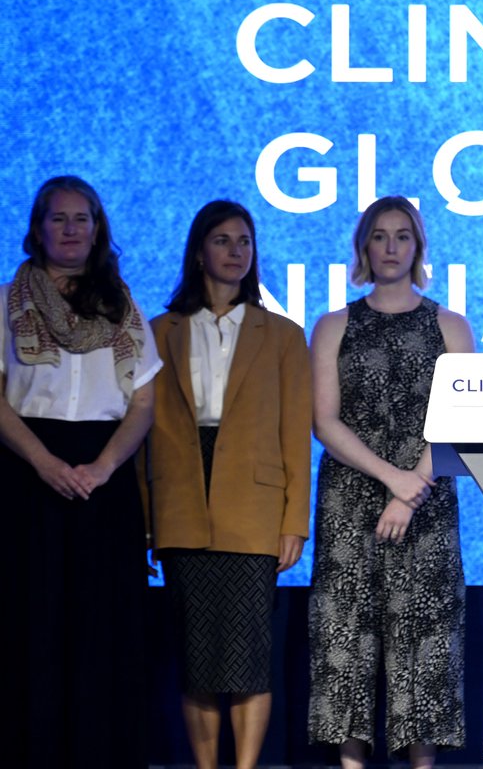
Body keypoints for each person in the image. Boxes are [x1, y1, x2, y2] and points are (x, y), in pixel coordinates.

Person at [0, 175, 162, 767]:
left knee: (103, 626)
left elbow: (142, 404)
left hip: (105, 474)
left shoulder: (123, 306)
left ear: (98, 230)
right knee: (31, 621)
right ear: (38, 228)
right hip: (25, 471)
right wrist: (43, 462)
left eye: (81, 219)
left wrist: (102, 467)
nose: (70, 230)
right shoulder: (6, 300)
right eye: (58, 219)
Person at [308, 196, 475, 769]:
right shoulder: (333, 326)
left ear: (418, 246)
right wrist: (392, 481)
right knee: (346, 637)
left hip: (427, 501)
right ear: (363, 247)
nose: (390, 247)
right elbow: (324, 421)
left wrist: (414, 487)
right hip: (350, 499)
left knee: (423, 639)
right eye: (379, 236)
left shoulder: (451, 326)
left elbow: (463, 418)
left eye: (402, 236)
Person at [144, 200, 312, 769]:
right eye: (222, 240)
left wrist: (295, 521)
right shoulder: (159, 331)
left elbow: (295, 433)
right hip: (182, 500)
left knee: (248, 656)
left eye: (244, 241)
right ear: (198, 251)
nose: (235, 251)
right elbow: (146, 434)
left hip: (254, 505)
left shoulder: (284, 335)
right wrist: (147, 517)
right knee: (197, 657)